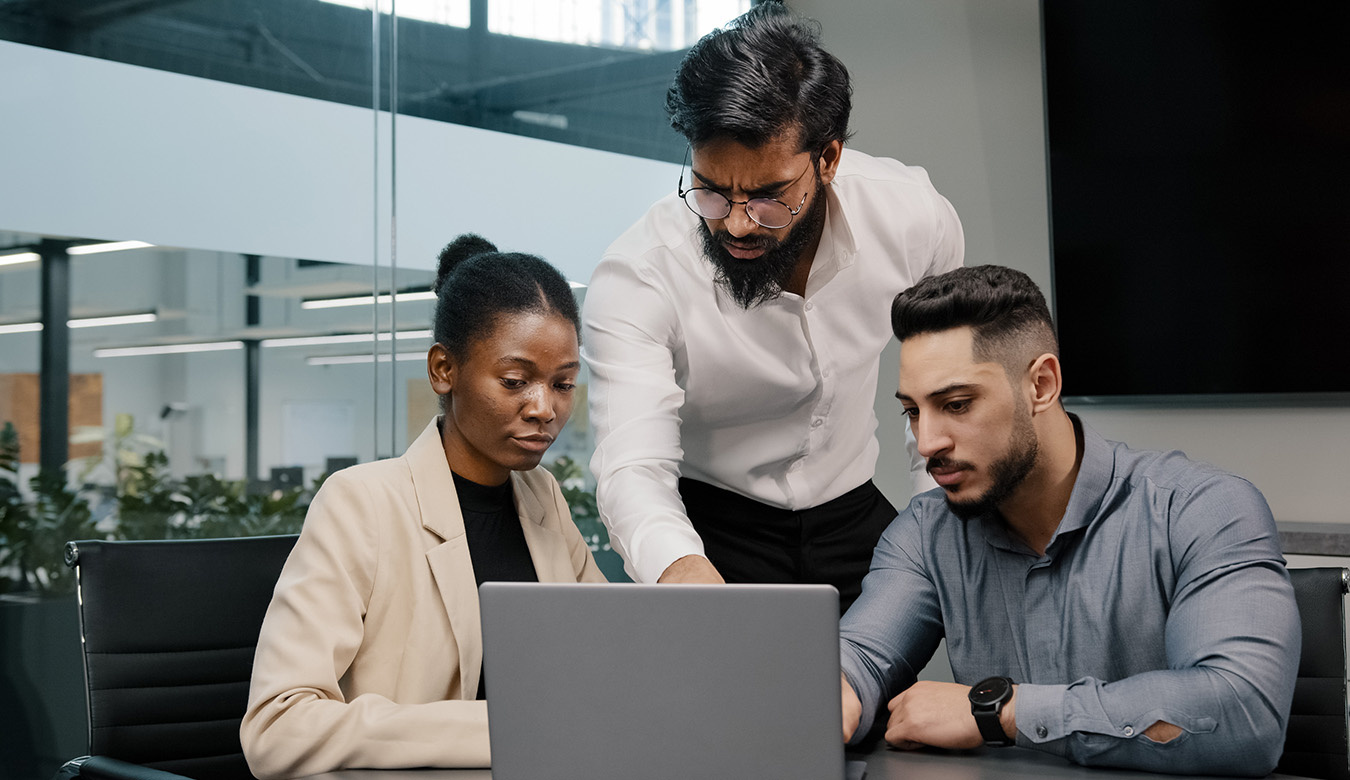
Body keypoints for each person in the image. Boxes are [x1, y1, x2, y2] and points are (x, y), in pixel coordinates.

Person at [838, 265, 1300, 775]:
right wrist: (837, 696)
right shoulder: (925, 535)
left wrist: (1003, 712)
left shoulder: (1201, 510)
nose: (927, 443)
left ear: (1041, 384)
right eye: (913, 412)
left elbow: (1241, 716)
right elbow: (860, 655)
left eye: (957, 404)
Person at [582, 2, 963, 607]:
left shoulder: (913, 219)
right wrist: (678, 566)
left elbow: (946, 396)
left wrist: (936, 530)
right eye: (709, 190)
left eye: (766, 197)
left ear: (828, 160)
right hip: (714, 529)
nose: (736, 223)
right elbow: (632, 464)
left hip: (856, 514)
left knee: (884, 700)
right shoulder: (638, 275)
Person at [240, 235, 605, 779]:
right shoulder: (361, 503)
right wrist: (500, 728)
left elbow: (611, 665)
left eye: (563, 384)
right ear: (443, 370)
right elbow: (278, 727)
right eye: (515, 381)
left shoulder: (542, 497)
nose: (544, 408)